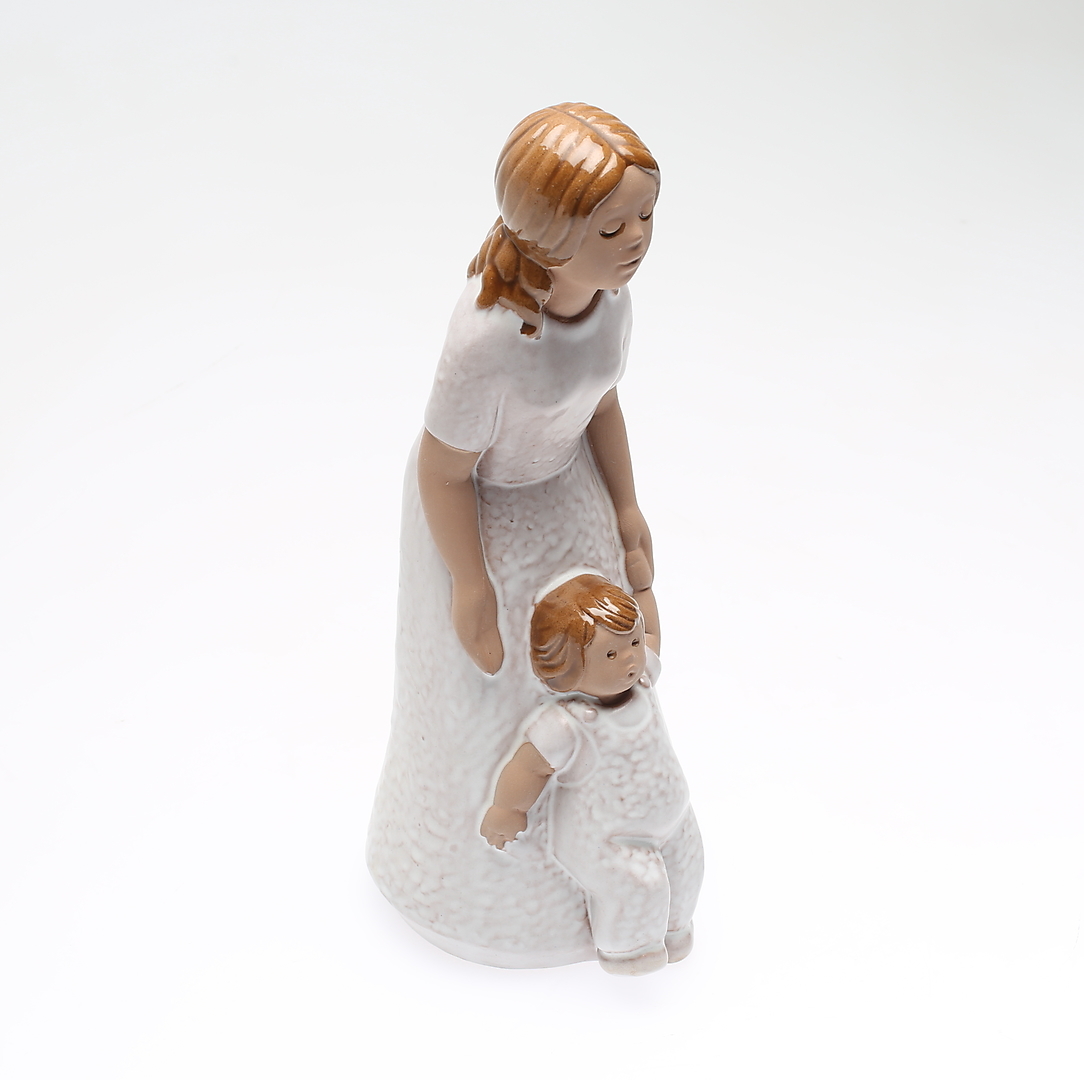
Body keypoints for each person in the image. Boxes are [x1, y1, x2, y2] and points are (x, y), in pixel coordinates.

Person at [368, 104, 666, 968]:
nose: (636, 240)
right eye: (610, 227)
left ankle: (619, 851)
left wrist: (627, 509)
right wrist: (469, 582)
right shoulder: (486, 341)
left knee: (607, 658)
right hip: (479, 515)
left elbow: (601, 405)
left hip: (568, 491)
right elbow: (443, 470)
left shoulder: (612, 304)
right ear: (548, 236)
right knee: (490, 697)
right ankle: (470, 886)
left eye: (646, 216)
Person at [481, 574, 702, 976]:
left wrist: (644, 590)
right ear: (565, 670)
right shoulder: (570, 724)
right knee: (640, 887)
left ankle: (675, 931)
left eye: (632, 644)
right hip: (607, 840)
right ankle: (631, 955)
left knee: (688, 868)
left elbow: (652, 633)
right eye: (611, 655)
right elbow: (528, 766)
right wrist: (507, 810)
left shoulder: (644, 682)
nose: (631, 659)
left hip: (672, 821)